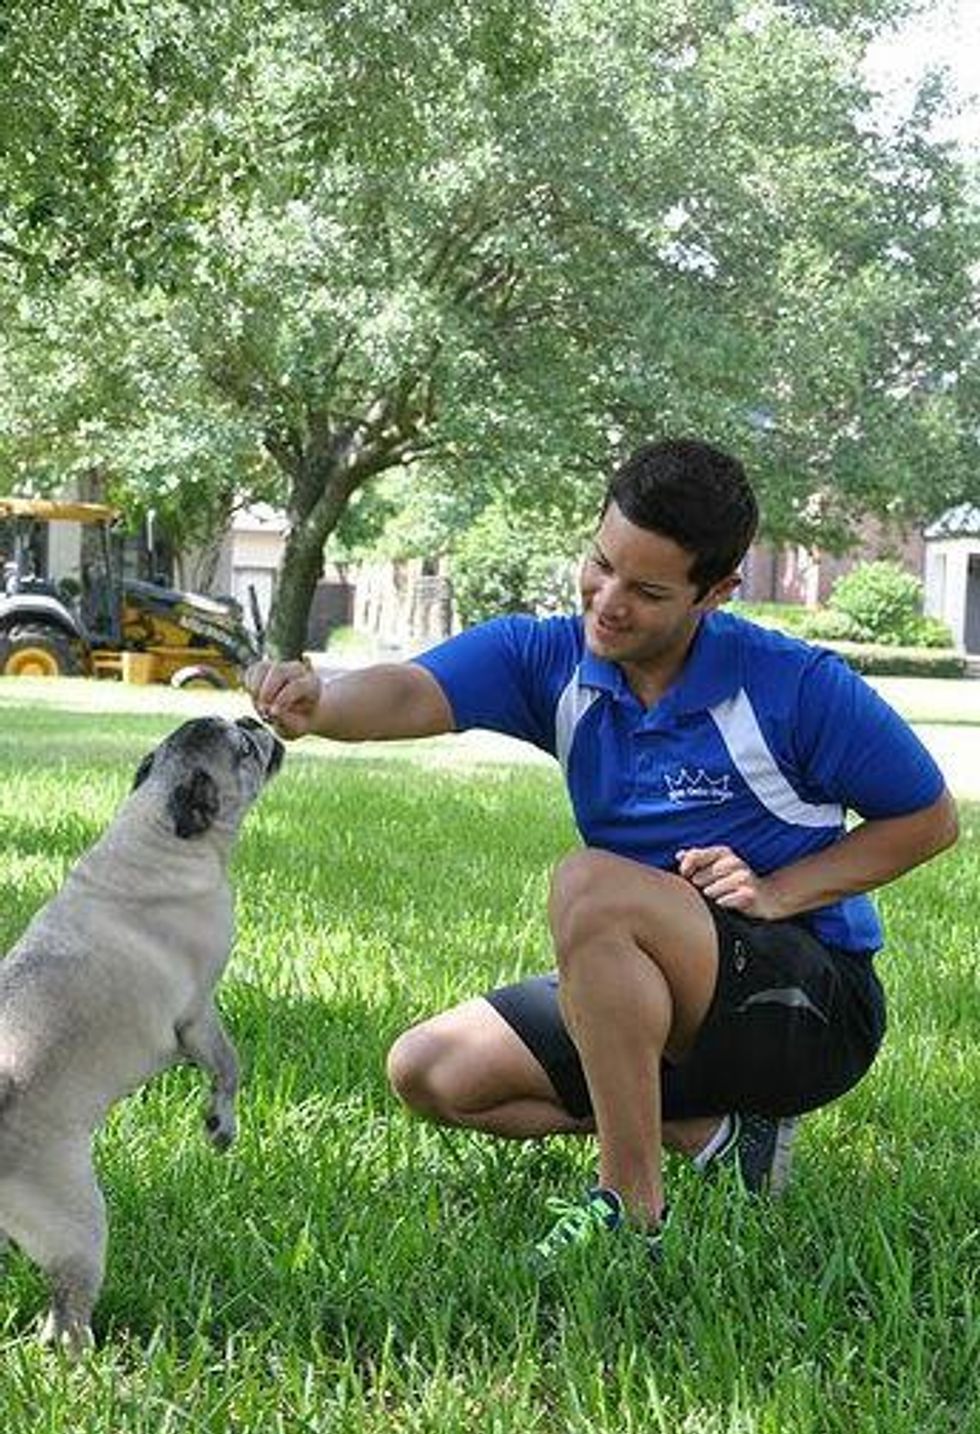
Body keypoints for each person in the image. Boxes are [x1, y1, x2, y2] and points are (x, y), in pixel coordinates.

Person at [248, 438, 958, 1270]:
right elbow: (409, 689)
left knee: (591, 886)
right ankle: (718, 1134)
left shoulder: (795, 686)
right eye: (602, 564)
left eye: (647, 590)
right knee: (430, 1070)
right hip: (658, 985)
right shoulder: (550, 659)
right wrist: (319, 700)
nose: (608, 602)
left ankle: (629, 1204)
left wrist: (780, 889)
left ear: (716, 594)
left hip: (810, 1008)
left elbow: (929, 818)